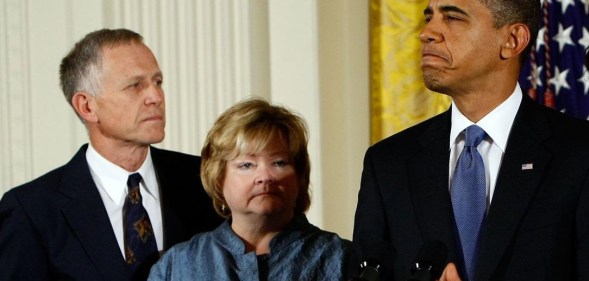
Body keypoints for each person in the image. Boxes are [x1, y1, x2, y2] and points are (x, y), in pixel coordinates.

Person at [352, 0, 589, 280]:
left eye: (452, 18)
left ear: (512, 40)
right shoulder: (388, 164)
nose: (427, 32)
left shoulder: (579, 153)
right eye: (430, 17)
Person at [0, 28, 223, 281]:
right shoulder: (32, 210)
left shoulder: (208, 179)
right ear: (87, 106)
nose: (156, 96)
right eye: (135, 85)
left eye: (157, 82)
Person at [148, 98, 351, 280]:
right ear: (218, 178)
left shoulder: (342, 259)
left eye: (279, 163)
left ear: (300, 176)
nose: (265, 177)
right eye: (246, 165)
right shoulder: (178, 266)